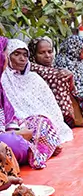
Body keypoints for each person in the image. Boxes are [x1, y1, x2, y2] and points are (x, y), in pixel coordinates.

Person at [0, 38, 70, 168]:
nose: (22, 59)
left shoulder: (33, 77)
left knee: (43, 123)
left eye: (25, 55)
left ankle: (42, 146)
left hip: (22, 123)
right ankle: (41, 148)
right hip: (13, 126)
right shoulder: (3, 78)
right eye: (16, 54)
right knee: (22, 138)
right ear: (7, 56)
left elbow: (49, 106)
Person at [28, 37, 79, 126]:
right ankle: (65, 116)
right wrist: (69, 75)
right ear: (33, 54)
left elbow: (73, 89)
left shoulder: (53, 67)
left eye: (50, 51)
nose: (47, 55)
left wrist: (70, 76)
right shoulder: (32, 67)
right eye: (41, 53)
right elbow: (56, 75)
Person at [54, 35, 83, 125]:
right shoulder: (64, 64)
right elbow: (74, 89)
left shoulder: (82, 63)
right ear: (74, 49)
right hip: (75, 97)